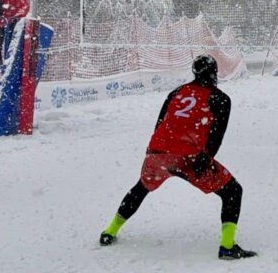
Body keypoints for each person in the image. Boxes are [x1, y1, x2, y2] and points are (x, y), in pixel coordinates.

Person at [98, 55, 257, 261]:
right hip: (189, 157)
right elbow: (216, 135)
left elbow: (160, 123)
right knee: (233, 191)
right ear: (214, 72)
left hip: (158, 153)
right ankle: (227, 246)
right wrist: (205, 158)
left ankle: (109, 231)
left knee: (141, 188)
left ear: (194, 72)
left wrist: (156, 153)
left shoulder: (176, 93)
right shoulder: (221, 98)